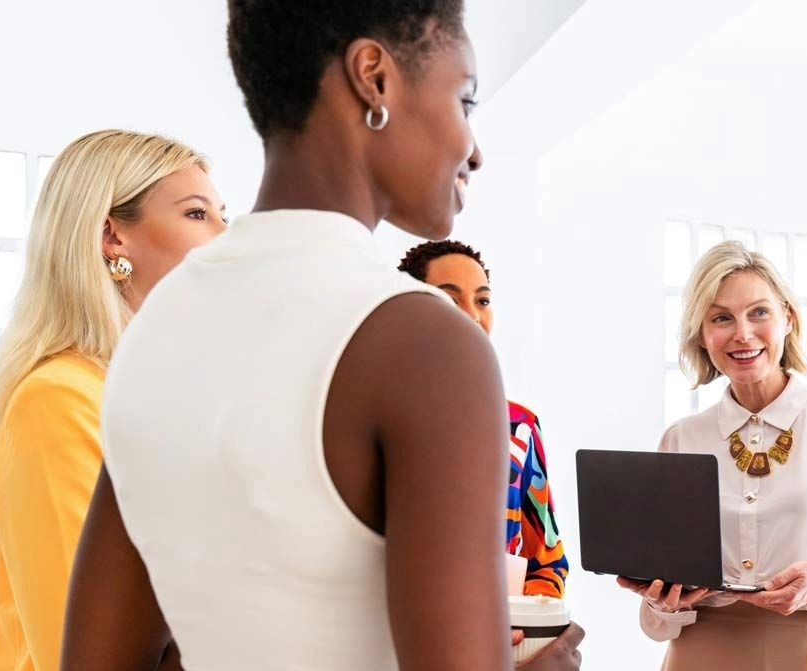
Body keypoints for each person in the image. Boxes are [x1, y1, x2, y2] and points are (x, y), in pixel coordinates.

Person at [59, 2, 582, 669]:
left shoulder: (156, 328)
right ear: (374, 78)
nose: (474, 150)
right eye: (465, 99)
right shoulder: (428, 344)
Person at [0, 129, 226, 671]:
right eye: (197, 214)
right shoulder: (56, 401)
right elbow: (85, 650)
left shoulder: (149, 395)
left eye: (221, 214)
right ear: (113, 237)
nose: (226, 237)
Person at [621, 241, 807, 671]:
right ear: (702, 336)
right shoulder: (681, 439)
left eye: (759, 312)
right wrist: (663, 600)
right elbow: (658, 621)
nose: (743, 334)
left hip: (806, 650)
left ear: (788, 319)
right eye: (722, 318)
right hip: (695, 654)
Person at [398, 240, 569, 598]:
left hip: (497, 639)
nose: (473, 316)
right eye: (450, 298)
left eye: (483, 300)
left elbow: (547, 564)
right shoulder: (380, 418)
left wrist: (527, 622)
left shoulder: (519, 427)